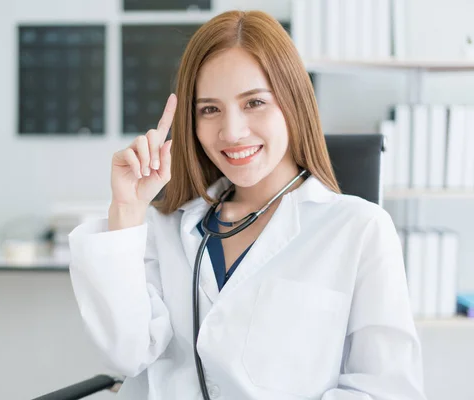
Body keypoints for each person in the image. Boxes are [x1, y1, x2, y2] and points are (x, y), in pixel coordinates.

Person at [68, 10, 427, 400]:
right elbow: (126, 356)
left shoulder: (359, 228)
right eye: (210, 109)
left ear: (293, 102)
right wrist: (127, 208)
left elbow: (387, 391)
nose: (232, 132)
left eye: (254, 102)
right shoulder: (166, 225)